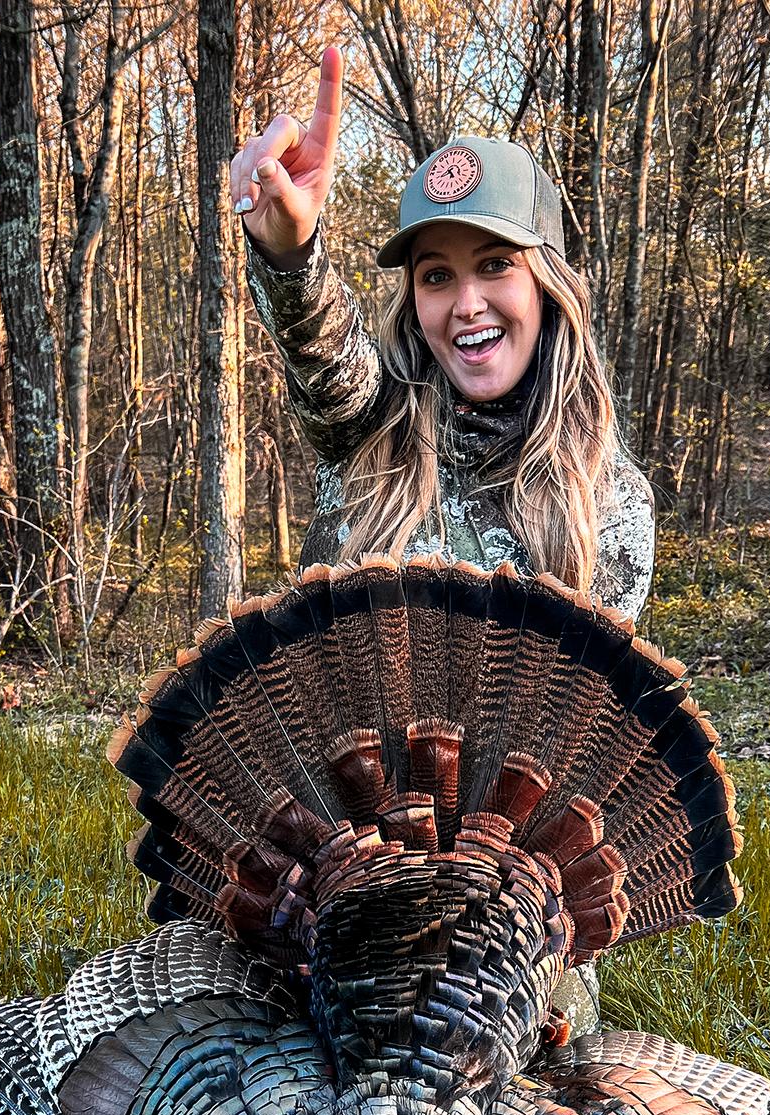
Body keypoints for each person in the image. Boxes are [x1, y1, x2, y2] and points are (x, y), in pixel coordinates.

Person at [229, 45, 657, 1029]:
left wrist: (483, 913)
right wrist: (291, 254)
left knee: (499, 1055)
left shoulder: (608, 503)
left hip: (503, 902)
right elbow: (323, 356)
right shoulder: (368, 431)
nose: (466, 303)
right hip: (335, 867)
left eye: (494, 264)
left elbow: (565, 763)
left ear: (546, 283)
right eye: (435, 275)